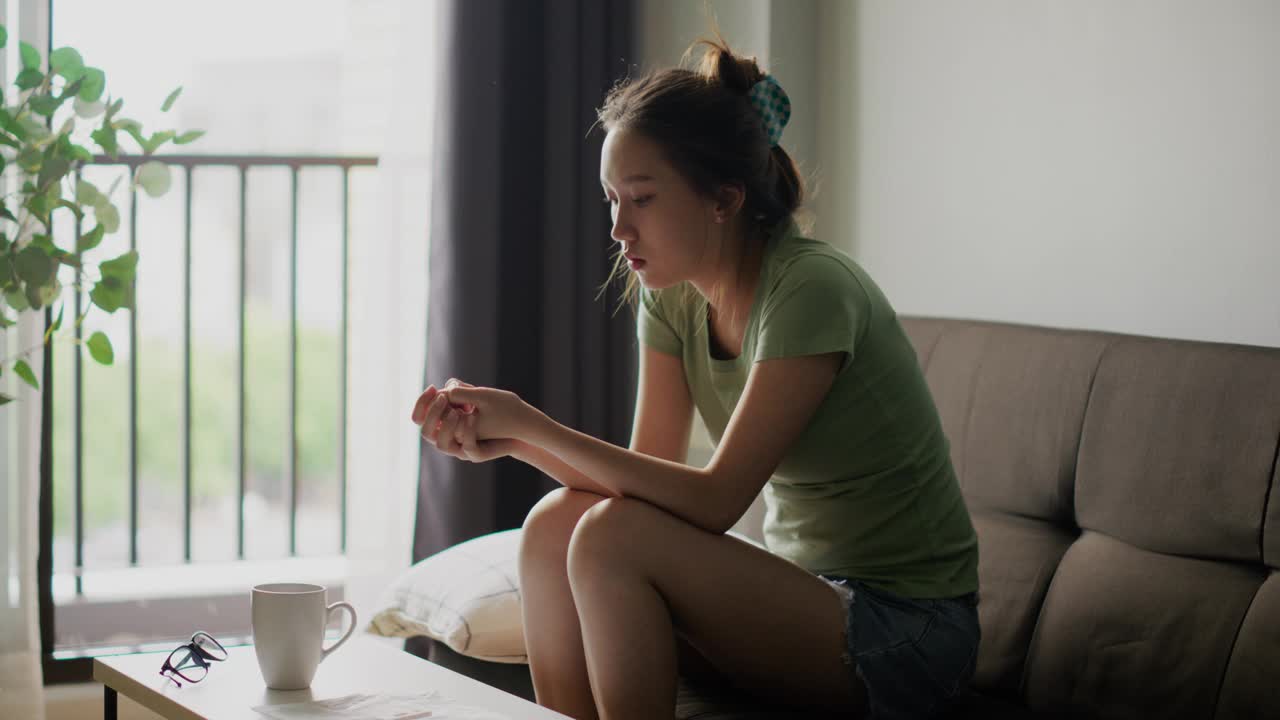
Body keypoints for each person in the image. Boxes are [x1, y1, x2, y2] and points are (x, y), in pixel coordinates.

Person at [411, 34, 980, 720]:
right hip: (809, 596)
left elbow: (714, 502)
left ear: (724, 199)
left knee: (608, 537)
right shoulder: (673, 294)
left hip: (909, 628)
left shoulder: (811, 289)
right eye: (610, 200)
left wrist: (532, 422)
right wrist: (507, 440)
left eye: (642, 199)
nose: (619, 229)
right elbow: (645, 477)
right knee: (556, 523)